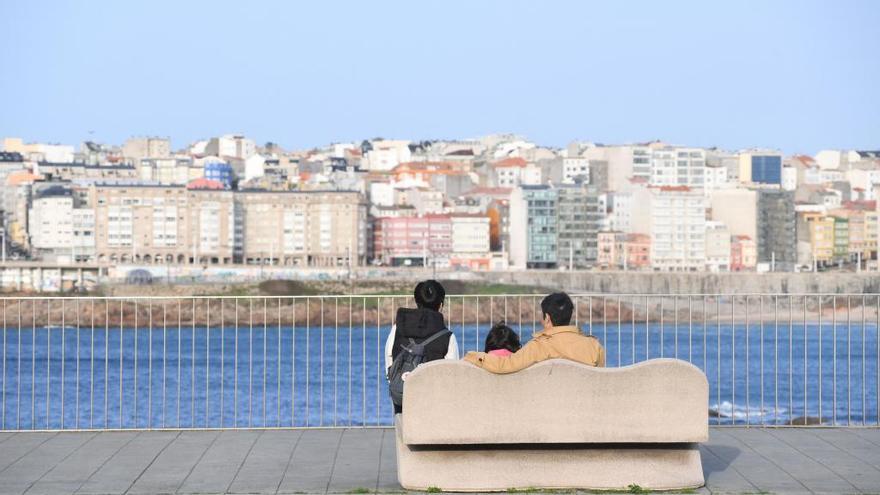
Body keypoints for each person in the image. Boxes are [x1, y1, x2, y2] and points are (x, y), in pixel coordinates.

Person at [464, 292, 604, 373]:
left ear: (547, 318)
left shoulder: (538, 347)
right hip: (582, 415)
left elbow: (504, 365)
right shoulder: (594, 346)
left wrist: (473, 356)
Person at [385, 280, 459, 413]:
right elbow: (452, 376)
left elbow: (389, 362)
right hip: (434, 405)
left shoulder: (397, 329)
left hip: (403, 398)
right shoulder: (448, 337)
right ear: (441, 305)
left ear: (416, 301)